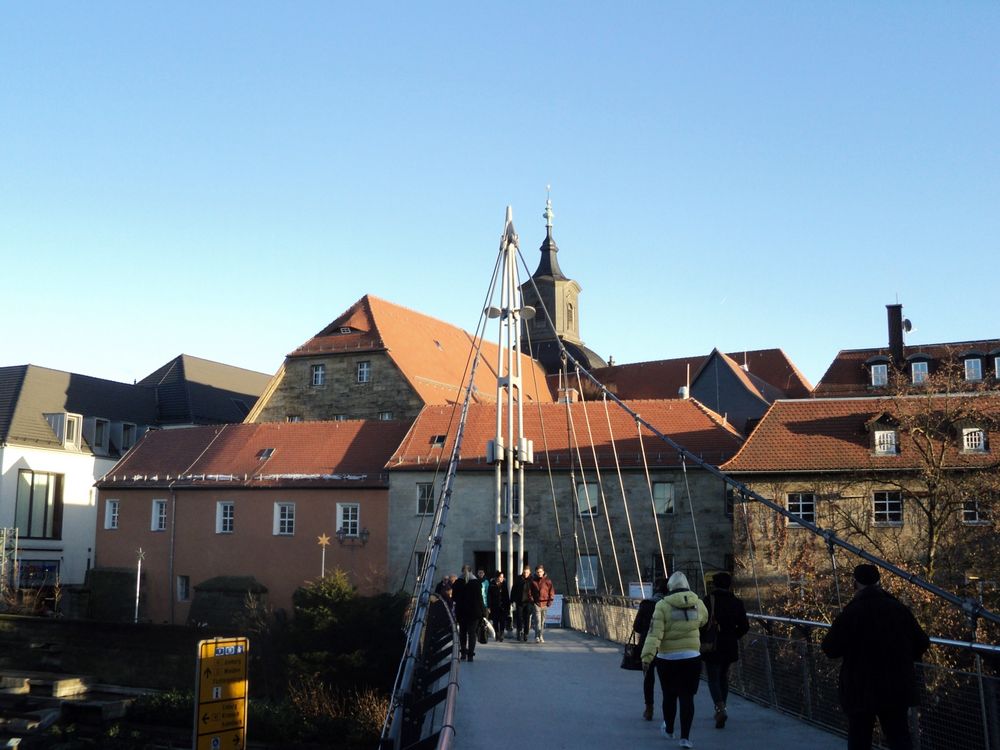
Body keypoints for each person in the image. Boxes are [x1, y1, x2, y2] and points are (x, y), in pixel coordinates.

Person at [821, 564, 930, 750]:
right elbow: (922, 642)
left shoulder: (851, 613)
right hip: (896, 685)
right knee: (899, 736)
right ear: (879, 582)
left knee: (859, 738)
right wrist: (902, 659)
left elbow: (830, 649)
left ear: (855, 584)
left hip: (861, 688)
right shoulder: (898, 608)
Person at [640, 571, 708, 749]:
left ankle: (669, 729)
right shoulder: (698, 604)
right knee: (687, 697)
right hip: (692, 657)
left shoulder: (662, 605)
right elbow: (704, 620)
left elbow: (654, 633)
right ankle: (685, 738)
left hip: (667, 658)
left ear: (670, 587)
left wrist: (647, 657)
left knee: (669, 695)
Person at [701, 571, 750, 729]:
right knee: (723, 677)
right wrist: (733, 636)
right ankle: (722, 708)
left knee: (713, 677)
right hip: (729, 645)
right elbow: (744, 626)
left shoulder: (708, 601)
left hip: (712, 645)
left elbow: (701, 623)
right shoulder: (737, 602)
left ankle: (720, 708)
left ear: (714, 584)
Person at [633, 577, 668, 721]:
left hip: (647, 645)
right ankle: (668, 710)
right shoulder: (670, 606)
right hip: (666, 647)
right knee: (666, 680)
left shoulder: (646, 604)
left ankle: (649, 708)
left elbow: (637, 627)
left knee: (649, 678)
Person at [451, 564, 487, 662]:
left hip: (461, 611)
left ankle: (463, 653)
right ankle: (470, 655)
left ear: (462, 571)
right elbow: (480, 599)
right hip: (474, 612)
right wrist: (484, 612)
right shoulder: (476, 582)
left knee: (462, 632)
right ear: (471, 571)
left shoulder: (458, 582)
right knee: (472, 634)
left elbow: (454, 598)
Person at [529, 564, 555, 643]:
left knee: (542, 622)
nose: (539, 573)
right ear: (536, 572)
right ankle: (537, 636)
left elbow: (551, 592)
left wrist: (550, 601)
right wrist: (532, 600)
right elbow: (529, 592)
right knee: (537, 621)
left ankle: (541, 635)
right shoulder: (533, 581)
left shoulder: (548, 581)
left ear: (543, 572)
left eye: (540, 572)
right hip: (537, 603)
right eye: (537, 572)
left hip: (545, 604)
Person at [510, 565, 534, 641]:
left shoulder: (532, 580)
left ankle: (526, 633)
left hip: (528, 602)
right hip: (519, 601)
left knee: (527, 618)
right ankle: (519, 631)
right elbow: (514, 589)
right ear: (523, 572)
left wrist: (534, 600)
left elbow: (535, 591)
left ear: (529, 572)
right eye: (524, 572)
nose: (526, 574)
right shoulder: (519, 578)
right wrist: (512, 600)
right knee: (519, 617)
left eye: (527, 572)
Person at [487, 571, 510, 641]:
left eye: (502, 577)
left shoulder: (504, 584)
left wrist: (508, 606)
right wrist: (489, 606)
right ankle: (497, 633)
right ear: (497, 577)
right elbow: (489, 596)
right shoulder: (491, 585)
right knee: (495, 621)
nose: (502, 578)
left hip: (503, 605)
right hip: (494, 606)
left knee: (502, 620)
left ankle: (502, 634)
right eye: (500, 577)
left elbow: (506, 596)